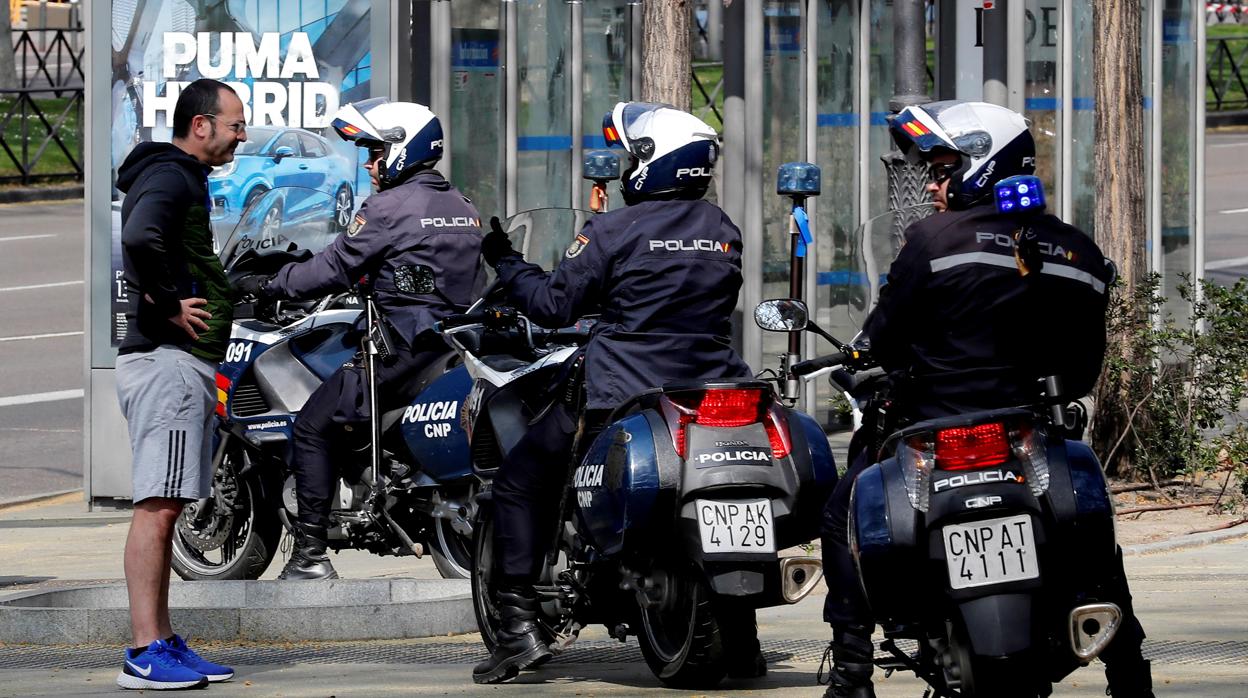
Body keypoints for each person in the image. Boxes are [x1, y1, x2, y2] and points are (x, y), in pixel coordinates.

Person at [818, 101, 1154, 698]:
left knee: (844, 508)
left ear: (983, 166)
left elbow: (880, 338)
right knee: (1094, 537)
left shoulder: (932, 240)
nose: (931, 182)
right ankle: (1129, 671)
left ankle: (851, 673)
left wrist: (861, 362)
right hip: (1029, 432)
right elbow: (1083, 367)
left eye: (944, 168)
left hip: (930, 429)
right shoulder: (1078, 252)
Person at [471, 102, 755, 684]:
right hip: (711, 386)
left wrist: (507, 261)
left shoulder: (612, 230)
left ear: (654, 161)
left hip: (622, 390)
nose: (627, 165)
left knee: (521, 481)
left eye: (634, 155)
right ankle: (743, 635)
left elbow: (554, 304)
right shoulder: (721, 228)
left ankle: (520, 624)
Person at [237, 98, 486, 580]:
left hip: (398, 351)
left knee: (311, 425)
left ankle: (309, 556)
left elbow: (333, 266)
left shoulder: (389, 207)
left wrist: (270, 285)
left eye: (375, 152)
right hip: (449, 347)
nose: (369, 164)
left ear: (401, 150)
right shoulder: (461, 204)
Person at [114, 77, 243, 690]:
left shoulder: (178, 176)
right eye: (234, 124)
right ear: (201, 125)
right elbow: (139, 236)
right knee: (157, 507)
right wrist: (168, 302)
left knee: (167, 505)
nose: (241, 134)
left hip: (178, 365)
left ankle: (161, 639)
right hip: (166, 363)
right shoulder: (170, 176)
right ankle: (143, 652)